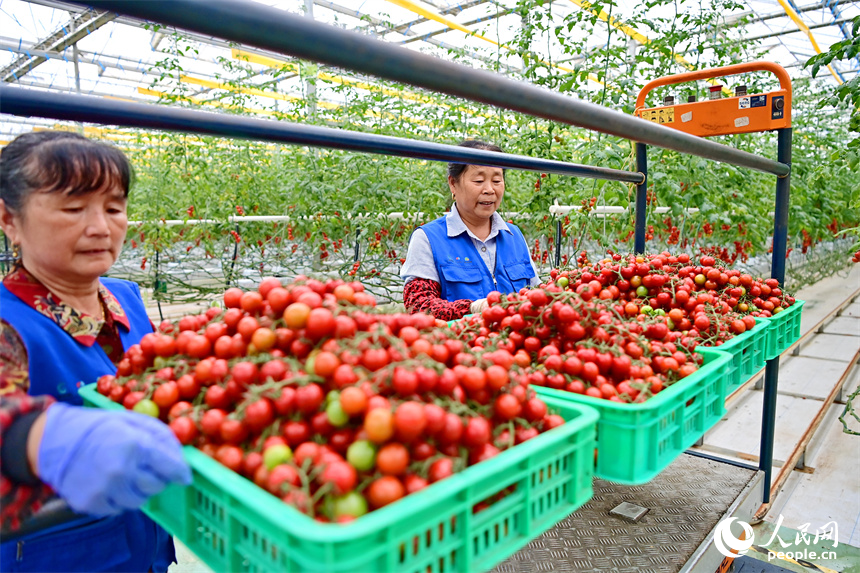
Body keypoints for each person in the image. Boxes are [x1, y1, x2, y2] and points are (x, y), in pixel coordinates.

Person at [0, 131, 178, 571]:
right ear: (9, 221)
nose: (101, 227)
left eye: (114, 208)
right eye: (74, 208)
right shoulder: (8, 325)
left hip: (146, 546)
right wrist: (36, 440)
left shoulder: (127, 300)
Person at [1, 319, 191, 536]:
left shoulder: (126, 298)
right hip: (59, 551)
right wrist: (26, 438)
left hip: (150, 538)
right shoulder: (7, 316)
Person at [401, 140, 541, 320]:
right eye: (479, 180)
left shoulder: (514, 236)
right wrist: (473, 308)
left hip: (514, 343)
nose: (489, 189)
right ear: (453, 184)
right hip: (457, 343)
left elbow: (536, 294)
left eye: (497, 180)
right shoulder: (429, 238)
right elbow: (419, 305)